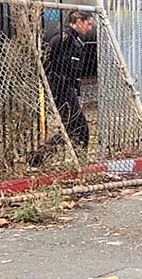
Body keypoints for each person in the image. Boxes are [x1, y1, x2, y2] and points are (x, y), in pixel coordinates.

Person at [29, 10, 94, 166]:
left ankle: (39, 156)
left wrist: (76, 92)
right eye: (88, 23)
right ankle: (79, 160)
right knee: (79, 128)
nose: (90, 28)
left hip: (68, 88)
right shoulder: (62, 39)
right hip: (60, 87)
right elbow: (45, 60)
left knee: (73, 128)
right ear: (78, 21)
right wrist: (51, 84)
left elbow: (75, 70)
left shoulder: (76, 40)